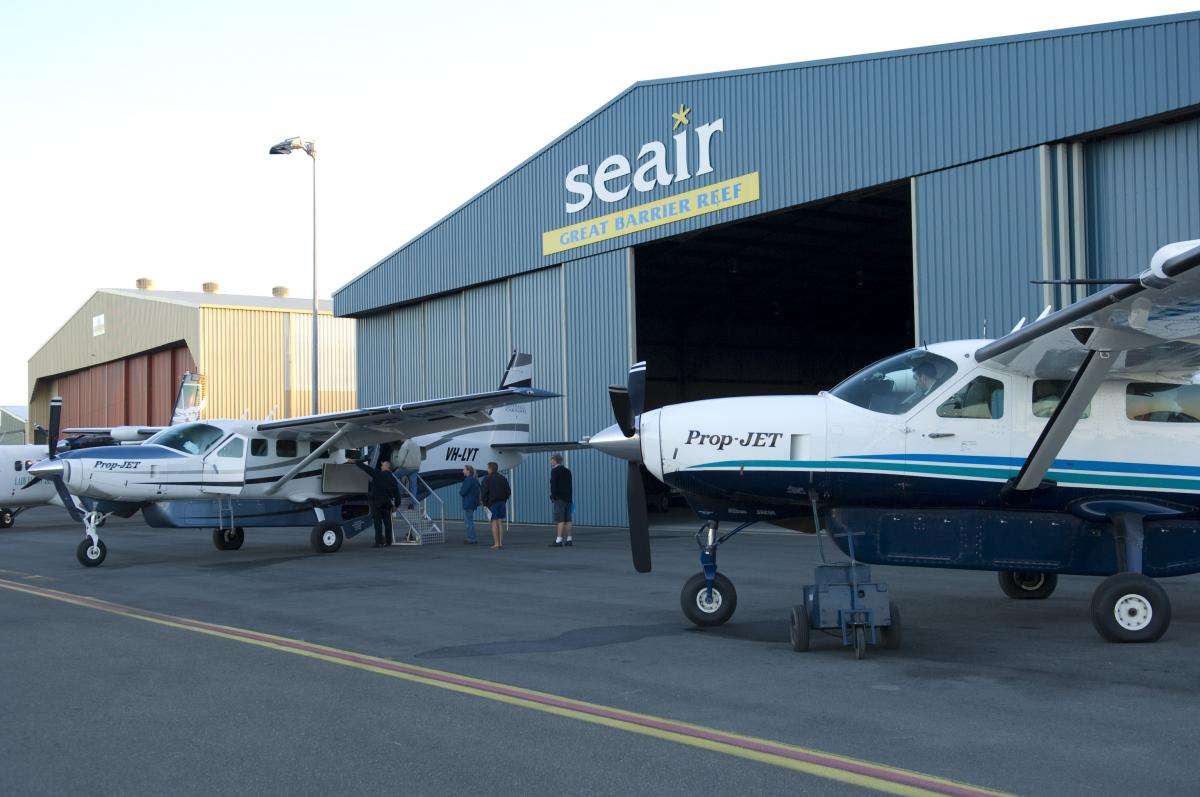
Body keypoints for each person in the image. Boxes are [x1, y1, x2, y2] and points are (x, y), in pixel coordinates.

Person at [354, 459, 400, 547]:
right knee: (387, 523)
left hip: (377, 502)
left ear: (387, 467)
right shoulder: (393, 479)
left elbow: (367, 469)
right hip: (387, 503)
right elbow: (397, 493)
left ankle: (378, 542)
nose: (381, 466)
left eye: (383, 465)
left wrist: (356, 462)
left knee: (377, 523)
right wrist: (396, 505)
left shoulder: (379, 474)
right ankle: (388, 541)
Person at [480, 461, 511, 549]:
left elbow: (484, 492)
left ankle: (496, 543)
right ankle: (500, 543)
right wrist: (504, 499)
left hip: (492, 503)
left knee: (494, 522)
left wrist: (485, 503)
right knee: (500, 522)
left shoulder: (487, 479)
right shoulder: (503, 478)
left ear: (490, 469)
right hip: (501, 502)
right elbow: (508, 491)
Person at [548, 453, 573, 547]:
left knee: (560, 519)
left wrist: (553, 496)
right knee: (568, 519)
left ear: (555, 460)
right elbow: (570, 485)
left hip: (559, 498)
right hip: (568, 498)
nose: (550, 461)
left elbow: (553, 485)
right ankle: (569, 539)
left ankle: (559, 540)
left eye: (551, 460)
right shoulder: (568, 471)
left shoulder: (555, 471)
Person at [459, 465, 481, 545]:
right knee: (470, 521)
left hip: (467, 503)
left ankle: (471, 538)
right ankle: (472, 537)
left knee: (468, 522)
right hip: (472, 503)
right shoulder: (475, 480)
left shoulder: (468, 480)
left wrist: (461, 491)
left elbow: (462, 492)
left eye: (464, 469)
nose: (463, 471)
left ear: (468, 471)